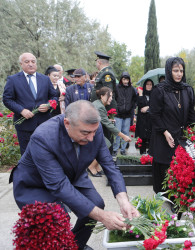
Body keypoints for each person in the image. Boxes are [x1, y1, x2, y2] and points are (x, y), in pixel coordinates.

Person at [10, 100, 139, 250]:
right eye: (85, 133)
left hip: (72, 172)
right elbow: (58, 185)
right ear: (67, 123)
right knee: (55, 219)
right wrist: (103, 217)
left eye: (94, 132)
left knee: (95, 204)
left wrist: (123, 201)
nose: (91, 138)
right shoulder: (43, 137)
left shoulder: (93, 129)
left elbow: (109, 165)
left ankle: (75, 245)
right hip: (35, 183)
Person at [149, 57, 195, 194]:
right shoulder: (159, 90)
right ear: (169, 71)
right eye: (175, 70)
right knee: (166, 168)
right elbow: (154, 114)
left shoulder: (187, 90)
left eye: (181, 71)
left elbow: (190, 113)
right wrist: (164, 131)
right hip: (164, 136)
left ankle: (177, 196)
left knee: (180, 168)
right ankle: (166, 195)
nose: (179, 74)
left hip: (181, 137)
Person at [3, 52, 57, 155]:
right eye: (27, 62)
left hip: (44, 123)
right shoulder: (13, 80)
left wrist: (48, 105)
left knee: (45, 153)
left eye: (33, 61)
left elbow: (54, 97)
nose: (30, 64)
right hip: (24, 125)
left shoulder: (45, 79)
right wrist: (21, 110)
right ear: (21, 64)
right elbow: (7, 99)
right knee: (27, 155)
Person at [113, 72, 137, 156]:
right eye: (124, 79)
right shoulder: (117, 88)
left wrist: (132, 107)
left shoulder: (132, 89)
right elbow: (114, 99)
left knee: (125, 132)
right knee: (117, 132)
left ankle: (123, 149)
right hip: (118, 114)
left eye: (127, 79)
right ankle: (115, 149)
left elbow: (135, 99)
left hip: (127, 115)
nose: (125, 81)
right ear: (121, 79)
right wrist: (116, 108)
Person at [135, 79, 154, 154]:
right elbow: (140, 104)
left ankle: (150, 153)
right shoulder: (141, 94)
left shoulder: (154, 94)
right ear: (144, 85)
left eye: (150, 84)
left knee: (150, 136)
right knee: (142, 136)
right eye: (147, 84)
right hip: (142, 119)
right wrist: (140, 95)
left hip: (151, 119)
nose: (149, 86)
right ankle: (142, 152)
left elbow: (156, 105)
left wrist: (148, 108)